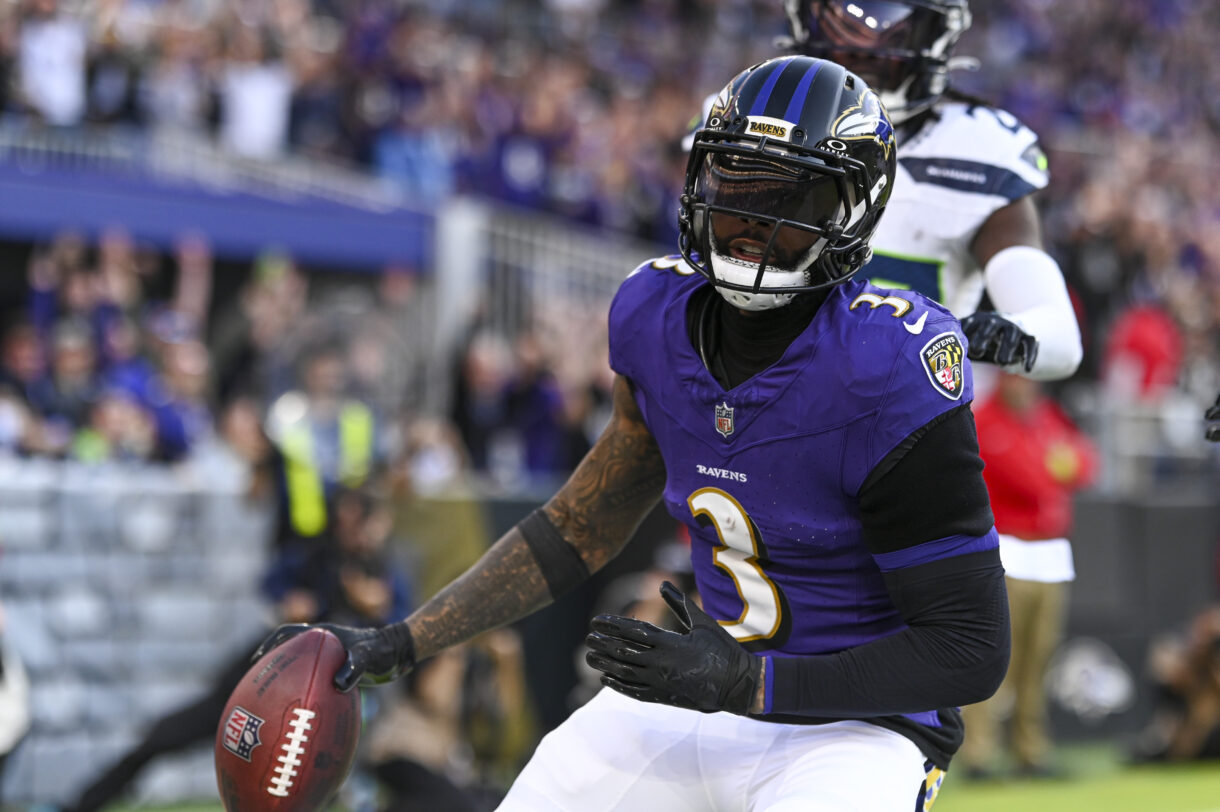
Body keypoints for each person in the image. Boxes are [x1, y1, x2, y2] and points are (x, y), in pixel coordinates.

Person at [258, 56, 1011, 811]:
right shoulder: (655, 317)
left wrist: (751, 683)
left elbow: (970, 649)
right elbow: (574, 531)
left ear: (853, 212)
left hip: (855, 725)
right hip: (699, 694)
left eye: (791, 196)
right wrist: (400, 641)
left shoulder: (889, 365)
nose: (752, 223)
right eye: (736, 186)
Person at [771, 1, 1082, 382]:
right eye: (839, 26)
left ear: (935, 36)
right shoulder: (757, 118)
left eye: (891, 29)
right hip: (764, 393)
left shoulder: (979, 150)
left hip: (896, 418)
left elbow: (1059, 336)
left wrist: (1005, 335)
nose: (860, 51)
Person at [957, 373, 1097, 779]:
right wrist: (1058, 464)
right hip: (1010, 549)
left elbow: (1086, 463)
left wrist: (1061, 464)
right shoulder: (986, 419)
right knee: (999, 657)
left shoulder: (1047, 415)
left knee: (1039, 659)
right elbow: (1029, 478)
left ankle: (1029, 751)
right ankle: (979, 754)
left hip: (1049, 552)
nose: (1025, 385)